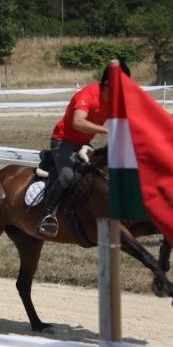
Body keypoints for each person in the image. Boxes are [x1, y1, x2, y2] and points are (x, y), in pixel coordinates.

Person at [37, 59, 131, 237]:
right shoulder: (87, 96)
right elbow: (78, 122)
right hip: (63, 141)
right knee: (67, 176)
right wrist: (108, 130)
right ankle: (46, 217)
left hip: (84, 144)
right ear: (108, 84)